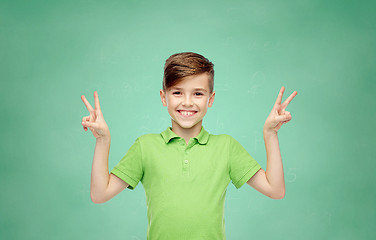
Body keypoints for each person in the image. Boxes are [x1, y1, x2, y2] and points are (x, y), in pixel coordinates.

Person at [81, 52, 297, 239]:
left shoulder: (226, 147)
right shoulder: (145, 147)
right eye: (177, 92)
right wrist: (102, 140)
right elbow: (100, 194)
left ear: (210, 99)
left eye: (198, 93)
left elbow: (275, 190)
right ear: (163, 97)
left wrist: (270, 134)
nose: (187, 102)